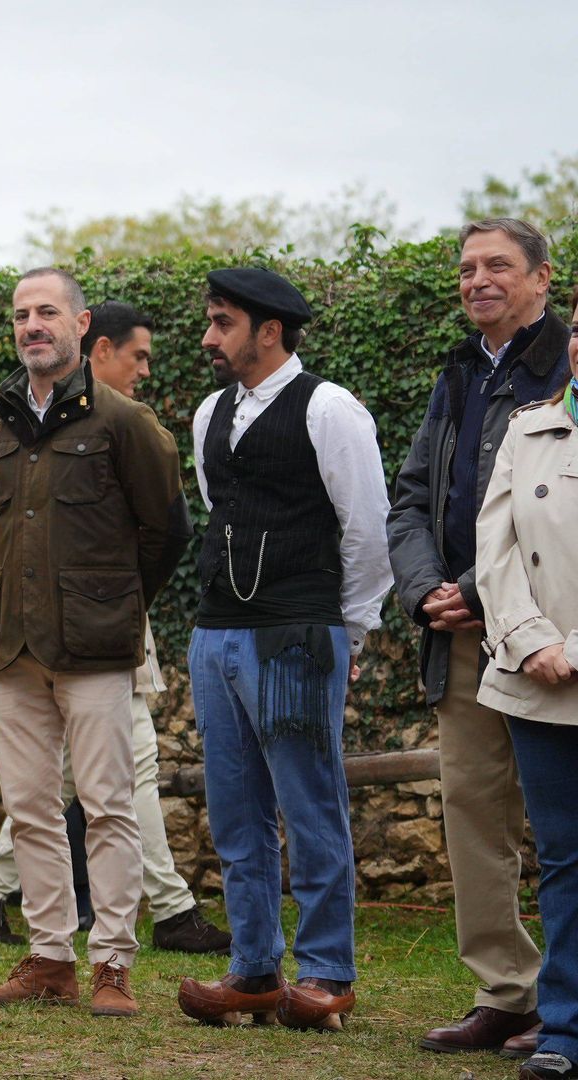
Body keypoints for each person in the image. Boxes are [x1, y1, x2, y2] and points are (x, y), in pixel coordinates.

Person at [0, 301, 232, 956]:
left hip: (111, 622)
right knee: (104, 775)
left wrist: (119, 601)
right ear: (99, 347)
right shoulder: (11, 426)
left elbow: (164, 533)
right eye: (137, 356)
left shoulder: (129, 427)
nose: (144, 369)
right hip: (65, 630)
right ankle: (166, 910)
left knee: (82, 777)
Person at [176, 267, 393, 1032]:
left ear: (269, 331)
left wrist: (351, 629)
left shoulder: (329, 409)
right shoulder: (210, 413)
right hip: (215, 633)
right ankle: (257, 970)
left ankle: (328, 972)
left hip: (296, 633)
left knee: (311, 807)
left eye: (222, 323)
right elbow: (218, 505)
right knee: (235, 815)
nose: (208, 338)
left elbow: (367, 529)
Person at [389, 218, 569, 1057]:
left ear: (542, 277)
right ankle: (509, 993)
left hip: (554, 634)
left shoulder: (565, 364)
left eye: (498, 265)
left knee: (565, 825)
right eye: (466, 268)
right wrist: (429, 588)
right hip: (464, 635)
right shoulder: (460, 373)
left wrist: (484, 594)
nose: (477, 280)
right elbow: (413, 493)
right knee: (473, 810)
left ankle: (568, 1009)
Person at [475, 284, 578, 1080]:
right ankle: (567, 1031)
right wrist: (530, 639)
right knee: (563, 858)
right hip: (538, 678)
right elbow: (495, 547)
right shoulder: (528, 429)